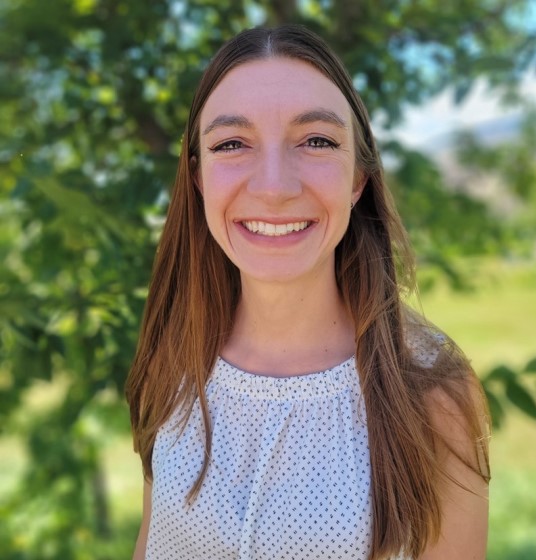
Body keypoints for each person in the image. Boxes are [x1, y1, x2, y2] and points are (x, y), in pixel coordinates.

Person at [126, 24, 490, 560]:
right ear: (199, 178)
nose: (275, 187)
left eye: (317, 140)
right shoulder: (174, 354)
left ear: (358, 178)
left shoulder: (432, 394)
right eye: (232, 143)